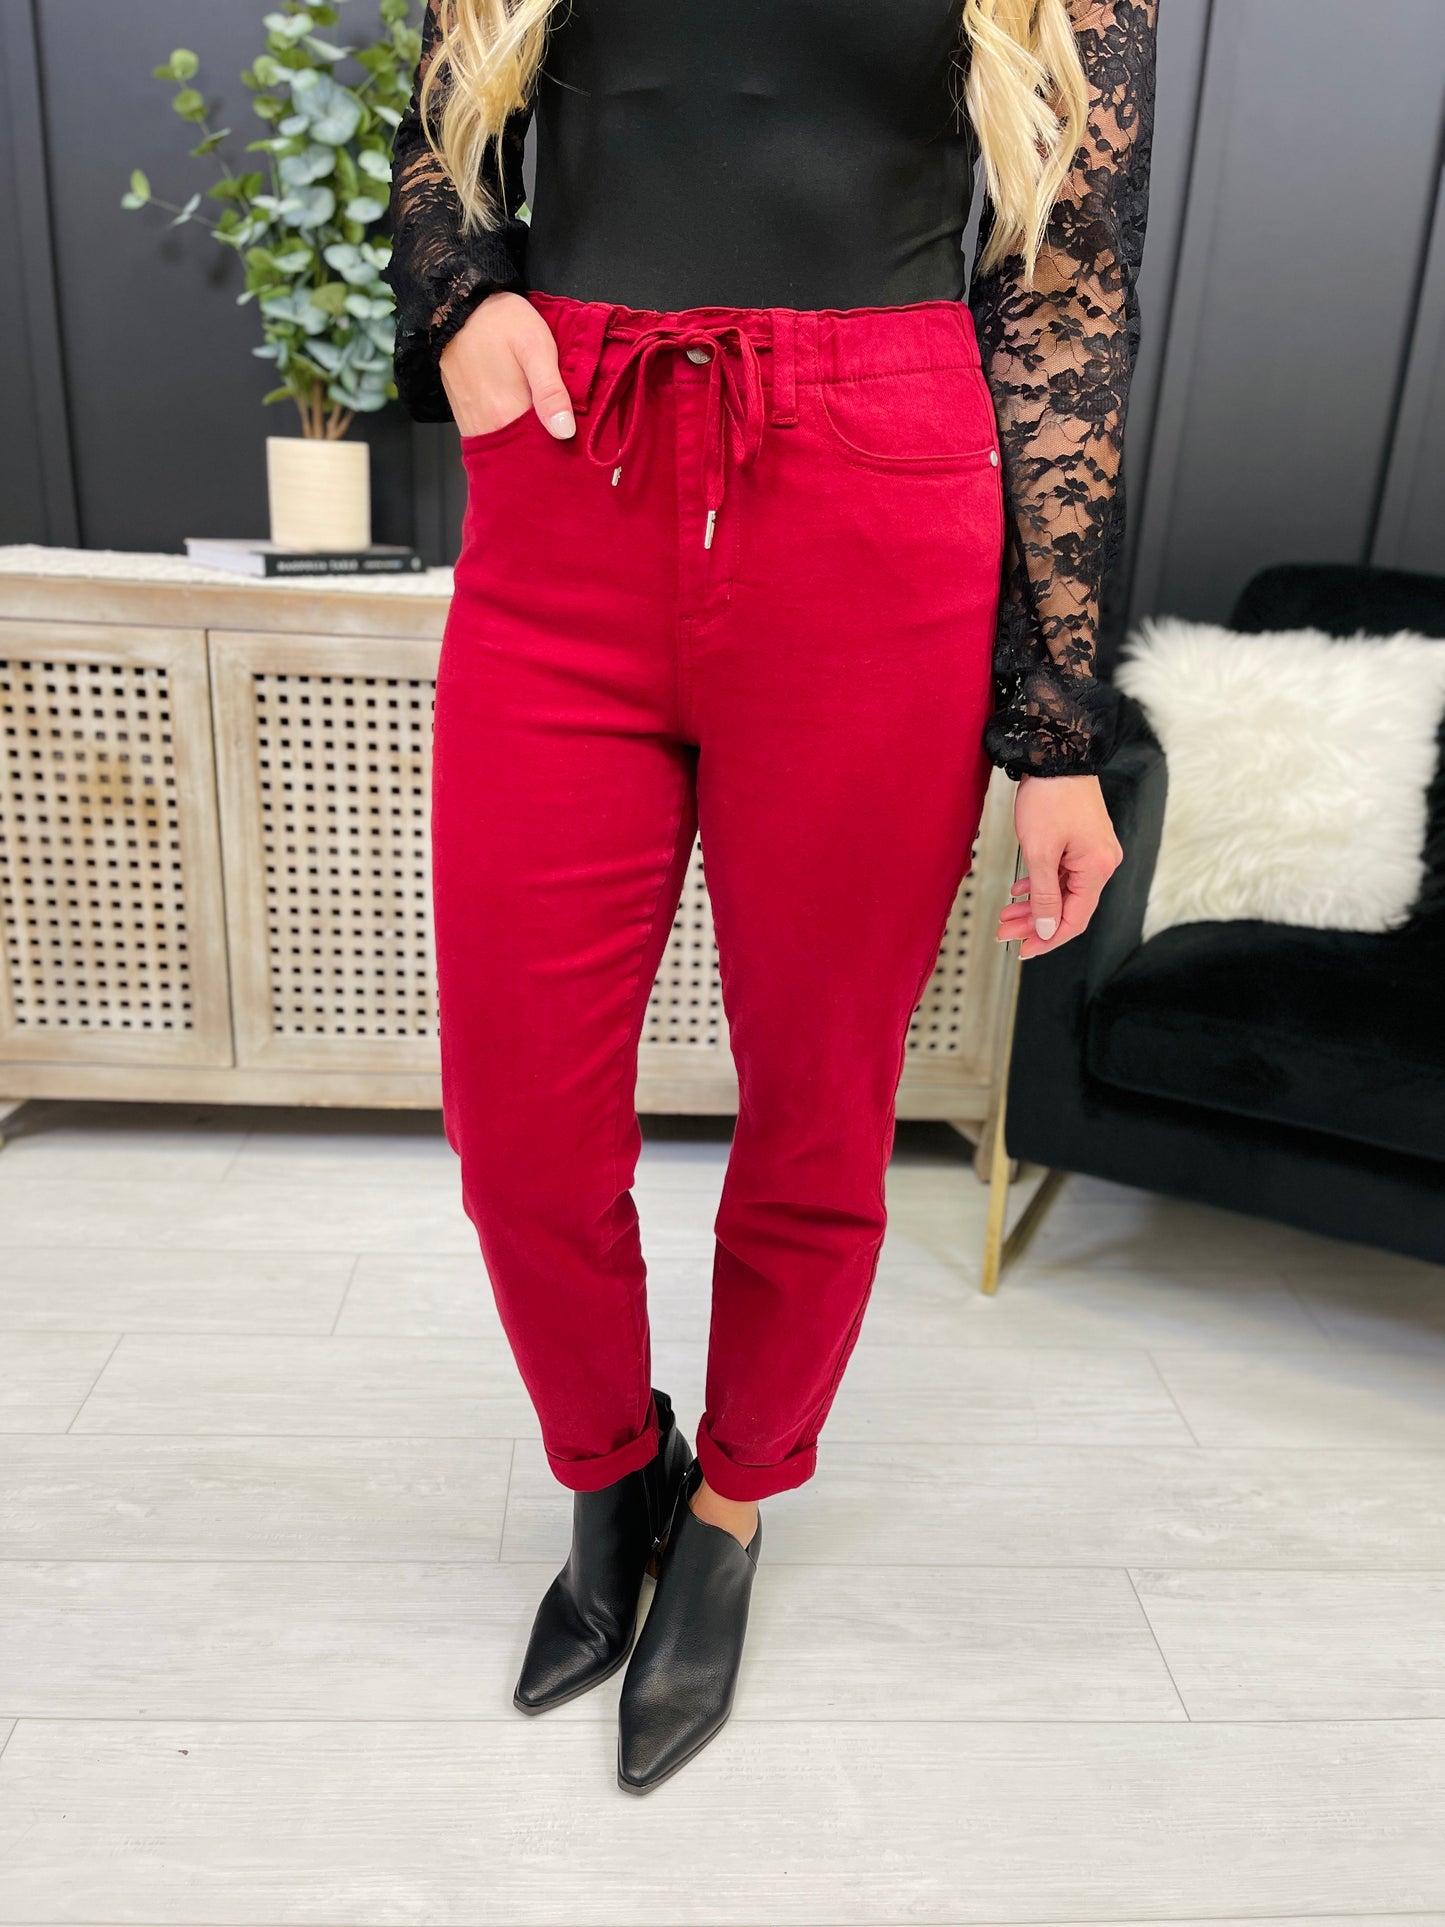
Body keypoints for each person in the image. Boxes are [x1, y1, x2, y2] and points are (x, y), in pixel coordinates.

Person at [382, 0, 1157, 1794]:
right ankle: (611, 1470)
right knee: (516, 1122)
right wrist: (462, 298)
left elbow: (1065, 303)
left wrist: (1057, 731)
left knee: (818, 1100)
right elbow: (437, 130)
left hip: (875, 494)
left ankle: (728, 1509)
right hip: (570, 475)